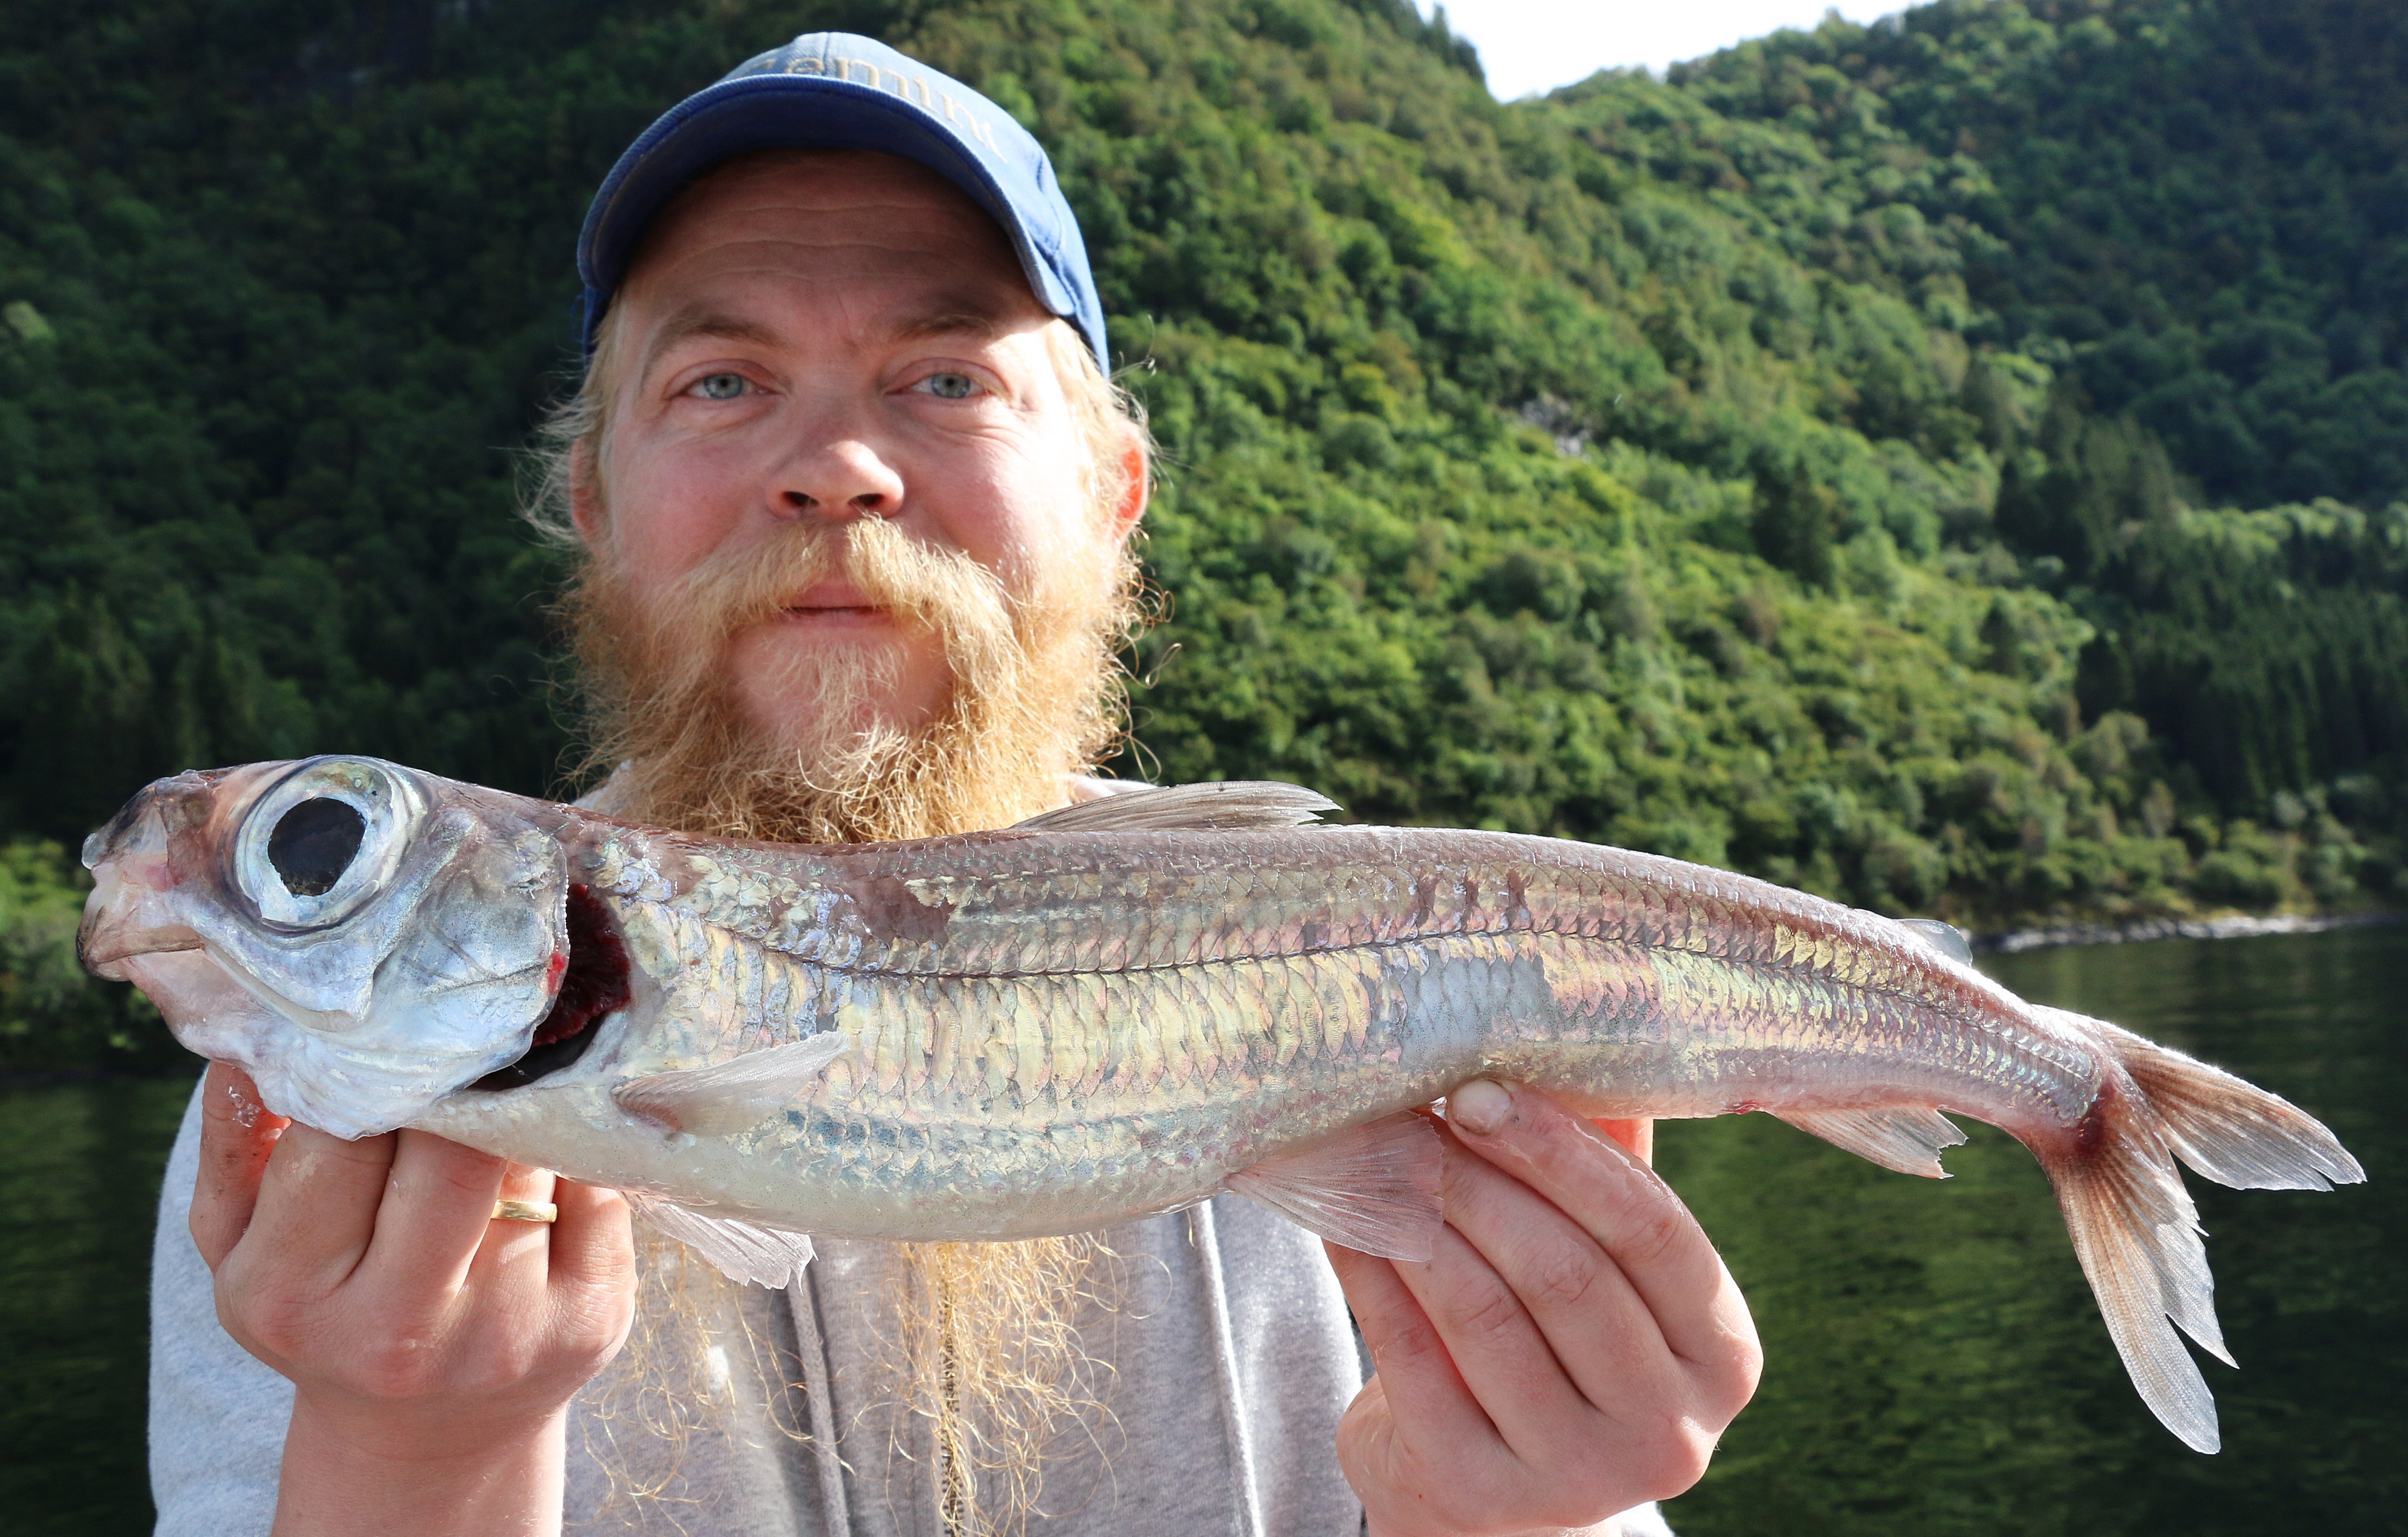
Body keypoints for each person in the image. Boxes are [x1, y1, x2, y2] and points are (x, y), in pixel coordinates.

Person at [146, 32, 1760, 1537]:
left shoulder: (1391, 992)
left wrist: (1504, 1519)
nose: (835, 463)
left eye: (947, 378)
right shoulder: (330, 1089)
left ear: (1113, 492)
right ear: (591, 502)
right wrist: (417, 1456)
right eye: (721, 380)